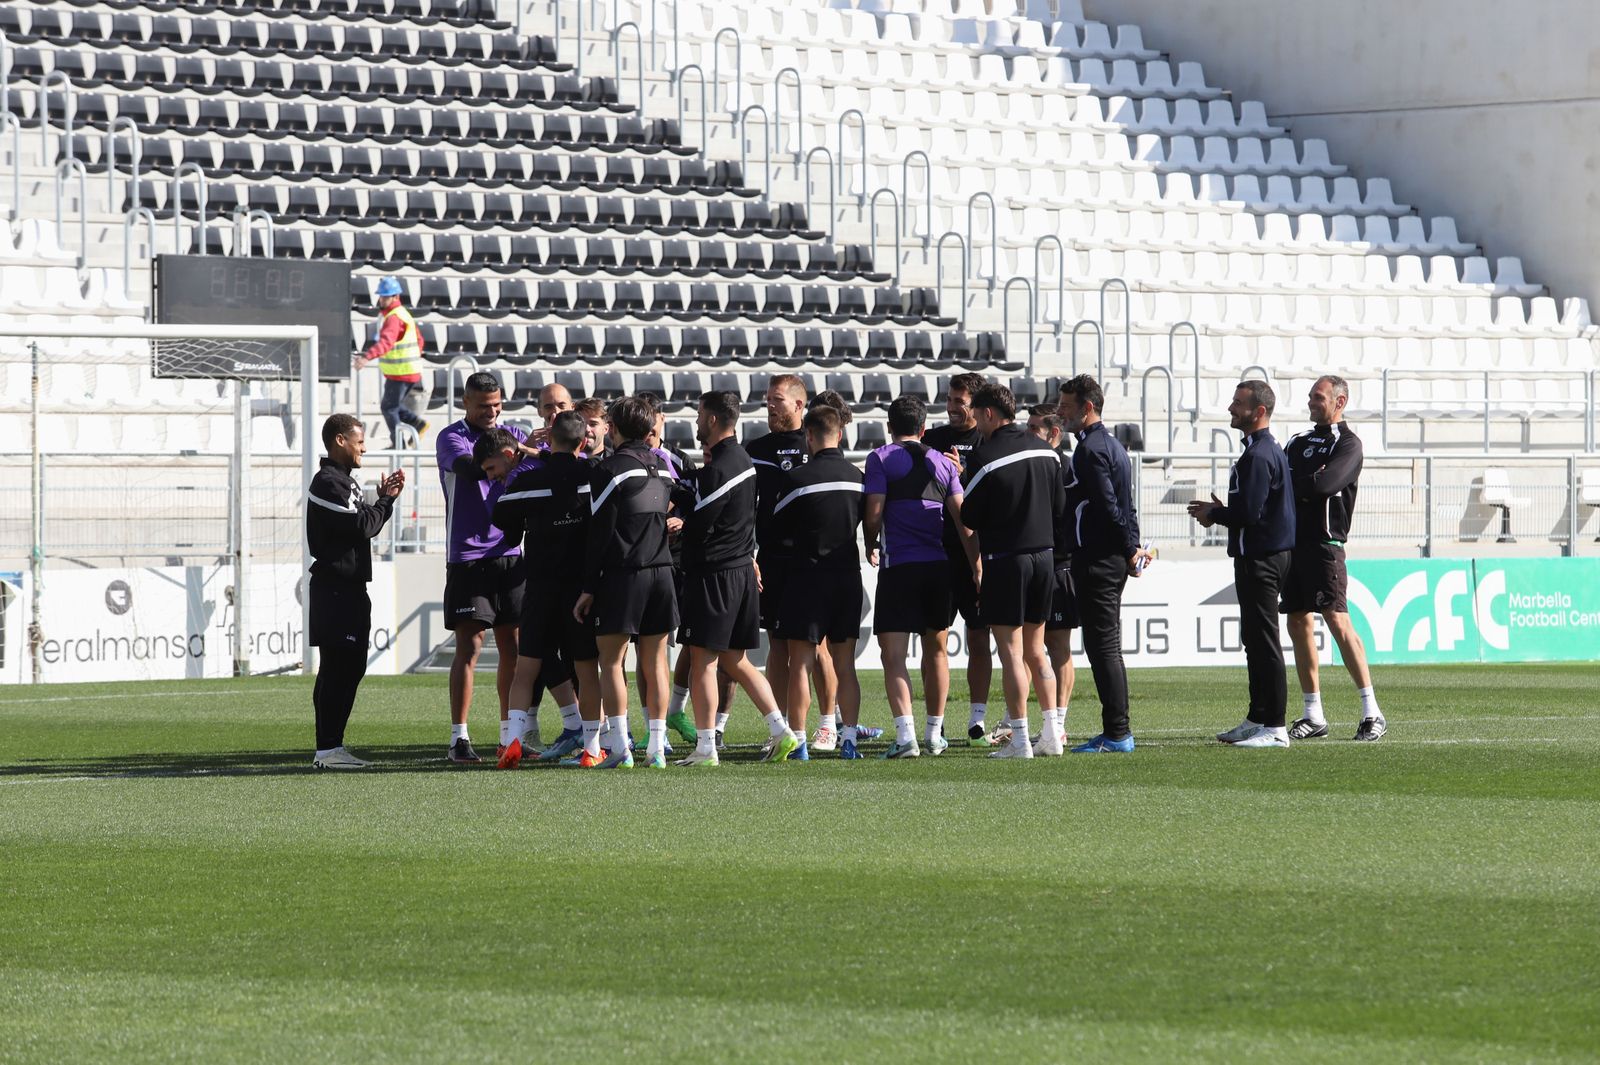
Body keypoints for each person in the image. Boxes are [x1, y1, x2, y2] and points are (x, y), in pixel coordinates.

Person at [672, 391, 802, 765]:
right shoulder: (743, 458)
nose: (697, 421)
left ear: (712, 420)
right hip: (742, 571)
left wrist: (680, 522)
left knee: (704, 662)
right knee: (737, 661)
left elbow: (700, 524)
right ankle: (782, 731)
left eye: (699, 414)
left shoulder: (722, 466)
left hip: (716, 575)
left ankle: (705, 748)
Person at [862, 396, 973, 759]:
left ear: (889, 428)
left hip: (900, 568)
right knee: (936, 651)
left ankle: (905, 736)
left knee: (893, 656)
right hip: (938, 567)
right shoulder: (943, 462)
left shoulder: (880, 458)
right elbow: (963, 520)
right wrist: (976, 566)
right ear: (924, 428)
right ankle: (934, 734)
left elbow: (874, 513)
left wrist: (869, 541)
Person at [1188, 380, 1297, 748]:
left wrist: (1214, 513)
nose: (1231, 409)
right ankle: (1258, 717)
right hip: (1260, 555)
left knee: (1265, 641)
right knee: (1253, 639)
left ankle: (1276, 728)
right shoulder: (1261, 451)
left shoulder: (1260, 454)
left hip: (1263, 559)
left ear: (1259, 411)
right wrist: (1223, 511)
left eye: (1238, 403)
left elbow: (1249, 513)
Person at [958, 385, 1063, 759]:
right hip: (1045, 557)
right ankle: (1052, 732)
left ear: (988, 414)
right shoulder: (1046, 451)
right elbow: (1059, 505)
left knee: (1011, 654)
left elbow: (968, 515)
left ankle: (1020, 740)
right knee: (1037, 652)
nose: (972, 419)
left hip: (1007, 560)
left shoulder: (987, 455)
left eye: (974, 411)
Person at [574, 396, 679, 769]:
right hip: (663, 573)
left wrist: (588, 586)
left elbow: (599, 532)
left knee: (612, 661)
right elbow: (680, 504)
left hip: (624, 576)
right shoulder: (664, 467)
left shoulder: (610, 469)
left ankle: (620, 748)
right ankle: (656, 747)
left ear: (613, 428)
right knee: (655, 663)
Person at [479, 419, 590, 768]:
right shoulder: (592, 473)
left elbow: (505, 525)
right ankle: (596, 744)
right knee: (588, 669)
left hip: (540, 585)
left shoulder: (526, 482)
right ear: (584, 441)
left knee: (526, 666)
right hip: (581, 588)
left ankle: (511, 741)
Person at [1281, 375, 1386, 741]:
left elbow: (1326, 485)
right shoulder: (1297, 441)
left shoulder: (1349, 444)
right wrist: (1306, 483)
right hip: (1293, 545)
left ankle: (1372, 711)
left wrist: (1304, 483)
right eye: (1311, 396)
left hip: (1326, 545)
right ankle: (1314, 714)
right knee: (1297, 623)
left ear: (1339, 402)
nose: (1312, 402)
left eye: (1319, 397)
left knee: (1338, 622)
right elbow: (1279, 483)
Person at [435, 371, 533, 764]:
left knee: (514, 646)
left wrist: (531, 449)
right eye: (482, 406)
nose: (491, 413)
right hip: (469, 556)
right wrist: (520, 451)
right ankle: (459, 737)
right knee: (470, 646)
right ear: (465, 403)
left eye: (496, 405)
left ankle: (510, 735)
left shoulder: (513, 431)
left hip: (510, 552)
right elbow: (472, 468)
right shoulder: (451, 436)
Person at [1057, 376, 1153, 753]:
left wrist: (1130, 548)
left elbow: (1108, 505)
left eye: (1066, 406)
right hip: (1110, 556)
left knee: (1103, 648)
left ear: (1087, 408)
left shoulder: (1090, 450)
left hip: (1097, 558)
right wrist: (1131, 547)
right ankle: (1116, 730)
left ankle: (1117, 732)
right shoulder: (1112, 445)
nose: (1061, 412)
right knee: (1105, 646)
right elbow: (1125, 506)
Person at [306, 413, 404, 769]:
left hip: (346, 587)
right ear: (340, 441)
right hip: (335, 588)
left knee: (347, 666)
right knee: (339, 668)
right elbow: (364, 526)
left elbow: (364, 521)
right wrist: (385, 502)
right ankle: (327, 749)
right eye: (360, 441)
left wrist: (383, 499)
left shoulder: (344, 482)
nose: (364, 447)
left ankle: (331, 747)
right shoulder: (330, 482)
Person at [772, 405, 865, 759]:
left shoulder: (797, 480)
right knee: (846, 664)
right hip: (847, 577)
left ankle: (799, 742)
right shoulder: (859, 477)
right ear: (839, 434)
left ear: (809, 436)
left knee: (802, 662)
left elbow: (777, 530)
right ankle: (850, 740)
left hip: (807, 578)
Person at [921, 372, 994, 744]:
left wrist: (963, 480)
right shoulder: (932, 440)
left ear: (977, 405)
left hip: (978, 553)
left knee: (980, 637)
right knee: (935, 639)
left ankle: (977, 721)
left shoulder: (988, 441)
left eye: (959, 401)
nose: (952, 407)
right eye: (949, 400)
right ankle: (936, 722)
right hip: (938, 552)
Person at [1026, 404, 1075, 752]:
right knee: (1030, 646)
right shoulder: (1033, 462)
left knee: (1056, 645)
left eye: (1033, 429)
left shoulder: (1065, 465)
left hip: (1059, 566)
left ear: (1053, 434)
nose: (1026, 435)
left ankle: (1057, 723)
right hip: (1037, 564)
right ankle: (1046, 721)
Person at [353, 277, 428, 449]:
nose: (381, 300)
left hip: (401, 371)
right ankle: (418, 424)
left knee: (388, 408)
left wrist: (366, 358)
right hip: (405, 371)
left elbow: (386, 343)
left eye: (385, 297)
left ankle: (399, 444)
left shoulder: (394, 318)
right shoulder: (402, 314)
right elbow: (419, 340)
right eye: (381, 296)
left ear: (395, 297)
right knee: (393, 406)